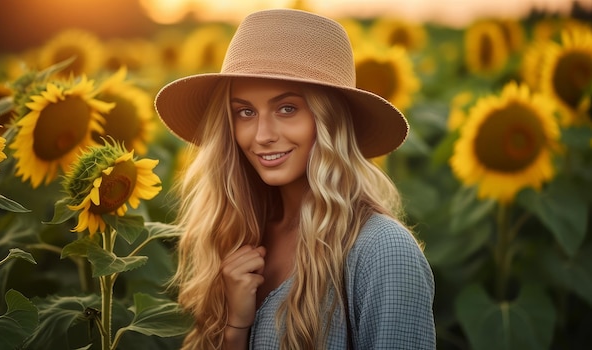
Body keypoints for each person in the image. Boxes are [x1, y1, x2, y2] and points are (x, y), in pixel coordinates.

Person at [155, 8, 436, 350]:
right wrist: (234, 329)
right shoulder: (237, 232)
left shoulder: (383, 251)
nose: (262, 135)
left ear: (331, 120)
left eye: (287, 108)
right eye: (245, 111)